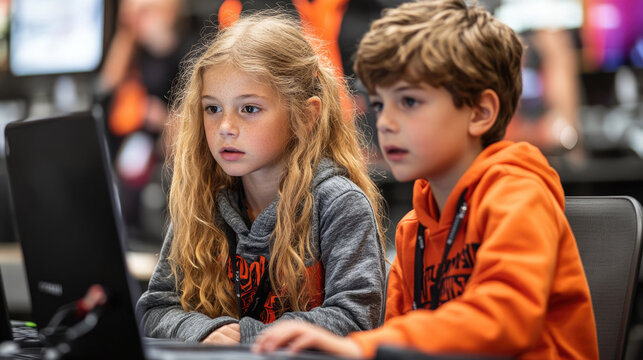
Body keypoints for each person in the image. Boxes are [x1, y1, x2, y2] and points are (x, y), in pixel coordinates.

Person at [252, 0, 599, 358]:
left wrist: (359, 347)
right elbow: (398, 338)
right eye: (380, 104)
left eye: (410, 102)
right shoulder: (412, 228)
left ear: (480, 112)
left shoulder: (518, 194)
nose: (385, 122)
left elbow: (504, 319)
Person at [135, 12, 387, 345]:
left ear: (306, 116)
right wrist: (202, 330)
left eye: (249, 109)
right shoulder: (203, 203)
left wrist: (247, 336)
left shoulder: (339, 204)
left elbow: (356, 319)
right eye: (212, 108)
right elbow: (154, 309)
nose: (225, 127)